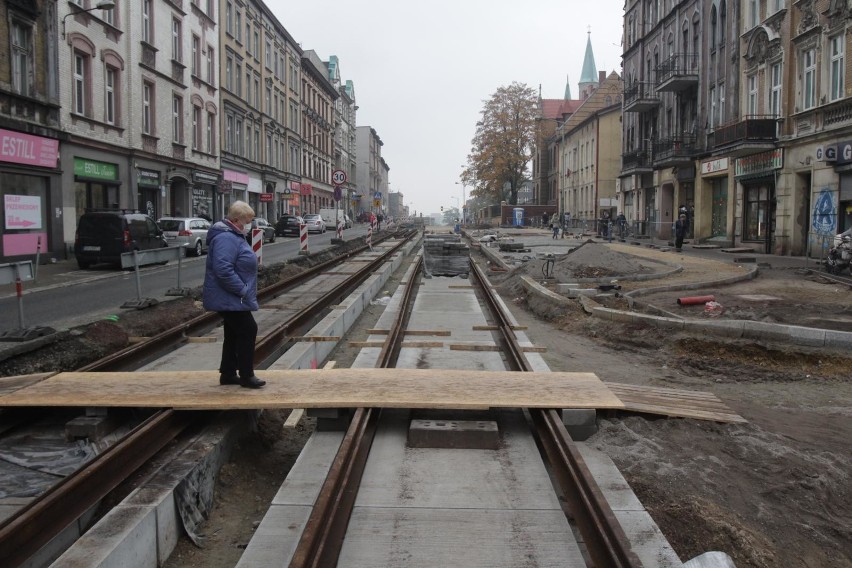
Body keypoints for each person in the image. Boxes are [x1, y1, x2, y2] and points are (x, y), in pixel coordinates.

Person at [203, 201, 266, 389]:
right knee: (248, 329)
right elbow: (223, 269)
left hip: (230, 296)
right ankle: (247, 376)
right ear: (236, 220)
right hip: (230, 295)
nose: (248, 226)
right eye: (246, 222)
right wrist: (242, 290)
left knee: (232, 332)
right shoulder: (226, 238)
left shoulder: (232, 235)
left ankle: (228, 373)